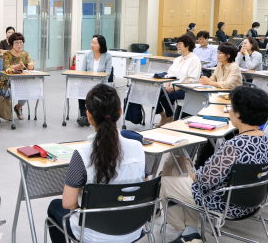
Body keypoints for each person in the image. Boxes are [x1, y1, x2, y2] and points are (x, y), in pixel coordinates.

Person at [159, 86, 268, 243]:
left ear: (239, 114)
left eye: (231, 108)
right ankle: (191, 232)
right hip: (253, 200)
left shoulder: (234, 146)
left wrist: (194, 175)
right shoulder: (267, 141)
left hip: (224, 202)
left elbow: (204, 179)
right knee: (181, 168)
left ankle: (186, 233)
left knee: (162, 183)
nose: (229, 112)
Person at [47, 84, 145, 243]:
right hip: (133, 231)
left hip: (93, 235)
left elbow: (68, 203)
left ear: (89, 116)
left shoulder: (82, 154)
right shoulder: (138, 148)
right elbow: (143, 193)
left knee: (54, 206)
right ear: (120, 113)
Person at [156, 35, 201, 127]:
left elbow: (192, 79)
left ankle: (172, 119)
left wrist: (175, 88)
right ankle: (164, 116)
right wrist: (168, 84)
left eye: (180, 44)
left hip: (186, 89)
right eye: (177, 44)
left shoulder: (194, 59)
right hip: (172, 87)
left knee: (165, 97)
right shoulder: (177, 59)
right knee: (154, 94)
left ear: (187, 45)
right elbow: (170, 74)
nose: (178, 46)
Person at [77, 35, 113, 127]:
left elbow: (108, 73)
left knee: (102, 93)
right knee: (81, 91)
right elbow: (83, 71)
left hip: (102, 83)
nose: (92, 45)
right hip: (88, 82)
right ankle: (84, 116)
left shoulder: (108, 56)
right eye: (91, 42)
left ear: (101, 45)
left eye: (95, 43)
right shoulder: (87, 55)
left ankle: (99, 116)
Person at [0, 32, 36, 120]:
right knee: (10, 93)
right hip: (7, 82)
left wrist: (30, 67)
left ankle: (18, 108)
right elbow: (6, 68)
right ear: (11, 44)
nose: (19, 45)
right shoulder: (6, 55)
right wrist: (17, 66)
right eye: (16, 43)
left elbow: (29, 68)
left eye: (21, 42)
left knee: (27, 91)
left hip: (21, 81)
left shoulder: (25, 54)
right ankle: (6, 111)